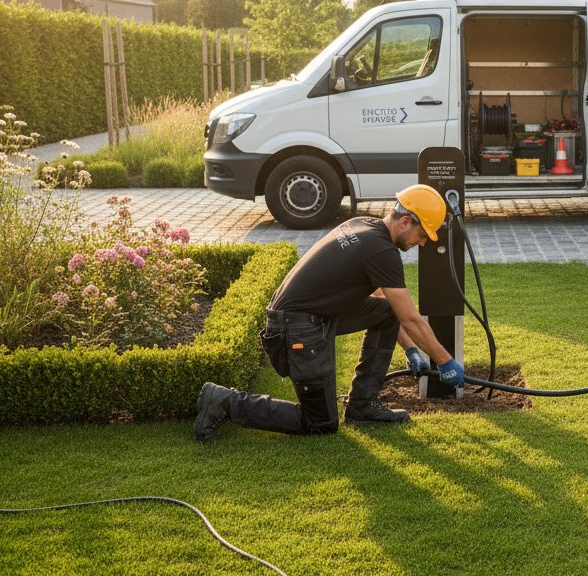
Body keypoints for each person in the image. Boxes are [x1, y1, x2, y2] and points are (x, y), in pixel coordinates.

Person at [193, 184, 465, 441]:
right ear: (405, 222)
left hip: (312, 316)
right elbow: (411, 318)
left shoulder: (364, 225)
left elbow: (389, 306)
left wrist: (409, 348)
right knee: (319, 422)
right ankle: (223, 400)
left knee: (386, 312)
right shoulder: (382, 250)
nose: (423, 242)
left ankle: (362, 406)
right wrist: (444, 362)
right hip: (295, 329)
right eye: (422, 235)